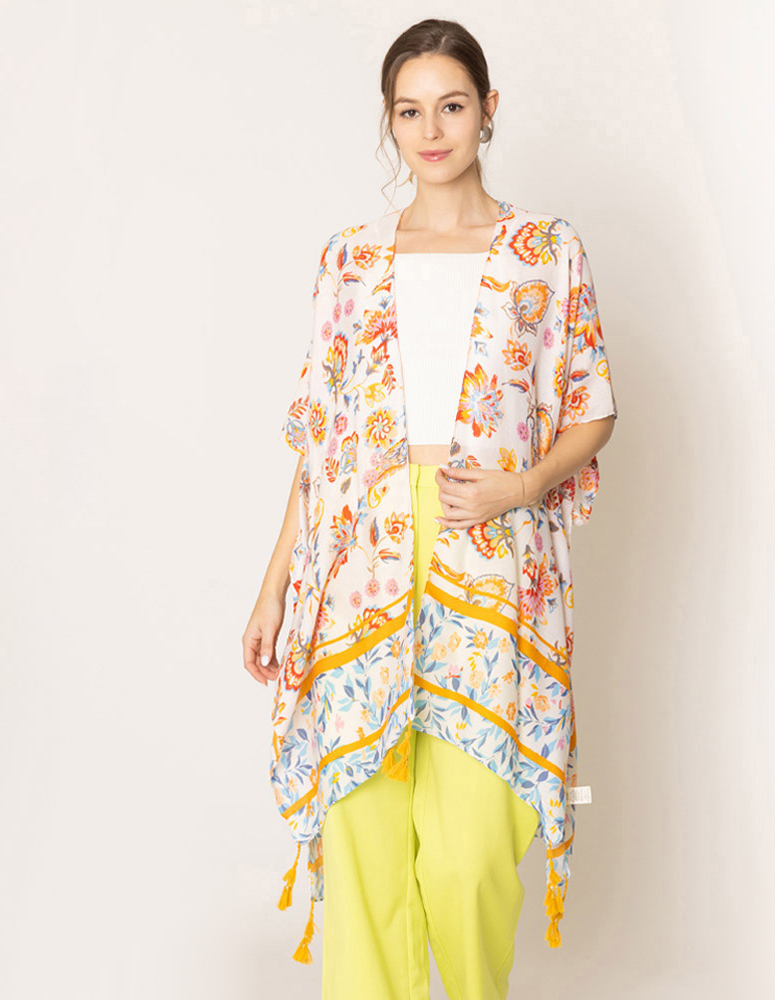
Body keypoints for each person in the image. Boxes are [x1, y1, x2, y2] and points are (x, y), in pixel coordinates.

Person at [242, 17, 618, 1000]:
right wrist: (274, 585)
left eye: (450, 106)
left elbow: (590, 406)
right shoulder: (350, 259)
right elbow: (320, 440)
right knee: (365, 843)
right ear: (389, 122)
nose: (431, 130)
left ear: (487, 110)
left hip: (489, 549)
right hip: (357, 559)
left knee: (467, 857)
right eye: (408, 112)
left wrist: (522, 486)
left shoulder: (544, 250)